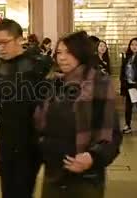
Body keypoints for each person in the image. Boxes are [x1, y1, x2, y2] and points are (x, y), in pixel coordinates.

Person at [0, 19, 51, 198]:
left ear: (20, 40)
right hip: (6, 143)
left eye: (5, 42)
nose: (1, 48)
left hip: (30, 144)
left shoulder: (38, 66)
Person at [35, 31, 121, 198]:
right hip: (54, 172)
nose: (62, 58)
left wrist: (93, 156)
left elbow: (110, 132)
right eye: (59, 52)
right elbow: (40, 122)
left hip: (85, 177)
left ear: (81, 53)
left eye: (69, 52)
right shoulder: (53, 82)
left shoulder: (99, 82)